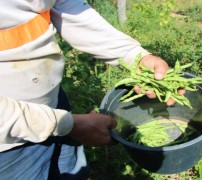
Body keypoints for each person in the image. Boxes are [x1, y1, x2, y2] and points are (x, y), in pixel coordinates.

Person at [0, 0, 180, 179]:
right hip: (10, 145)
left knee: (73, 173)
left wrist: (134, 56)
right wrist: (69, 125)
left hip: (55, 107)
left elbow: (66, 7)